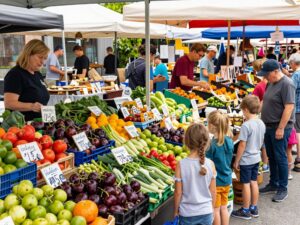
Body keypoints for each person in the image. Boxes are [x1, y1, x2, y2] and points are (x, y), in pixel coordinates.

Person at [259, 59, 295, 203]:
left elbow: (289, 107)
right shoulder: (271, 82)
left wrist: (280, 128)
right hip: (268, 126)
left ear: (275, 71)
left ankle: (282, 188)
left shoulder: (287, 84)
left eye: (267, 74)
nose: (265, 77)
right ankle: (273, 183)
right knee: (272, 157)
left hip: (279, 127)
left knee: (280, 158)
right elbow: (264, 101)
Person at [174, 123, 216, 225]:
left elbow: (178, 193)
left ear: (186, 142)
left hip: (187, 213)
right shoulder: (210, 164)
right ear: (206, 142)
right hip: (206, 212)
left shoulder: (181, 164)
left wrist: (175, 211)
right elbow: (213, 191)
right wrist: (212, 208)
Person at [232, 95, 266, 220]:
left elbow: (241, 145)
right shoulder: (261, 123)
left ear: (246, 109)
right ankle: (254, 207)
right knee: (254, 182)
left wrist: (237, 161)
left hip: (246, 159)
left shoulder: (246, 125)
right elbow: (262, 142)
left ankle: (245, 210)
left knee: (245, 183)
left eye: (242, 111)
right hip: (256, 158)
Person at [4, 39, 50, 121]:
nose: (42, 62)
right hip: (21, 127)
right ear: (28, 54)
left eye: (45, 58)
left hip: (39, 125)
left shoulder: (37, 74)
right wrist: (31, 106)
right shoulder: (15, 74)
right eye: (40, 57)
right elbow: (9, 103)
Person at [206, 111, 233, 225]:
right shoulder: (229, 141)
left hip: (216, 183)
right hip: (227, 180)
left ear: (212, 126)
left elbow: (208, 165)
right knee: (223, 208)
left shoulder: (211, 145)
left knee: (215, 210)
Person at [252, 59, 269, 173]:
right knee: (266, 142)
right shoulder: (271, 84)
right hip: (269, 115)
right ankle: (267, 163)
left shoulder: (259, 86)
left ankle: (264, 164)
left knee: (262, 143)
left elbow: (253, 101)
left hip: (261, 116)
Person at [289, 53, 300, 172]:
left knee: (297, 132)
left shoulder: (296, 74)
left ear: (293, 63)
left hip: (297, 108)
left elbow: (291, 90)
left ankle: (299, 159)